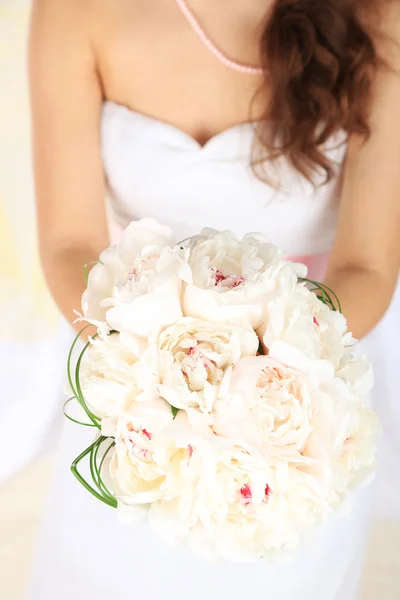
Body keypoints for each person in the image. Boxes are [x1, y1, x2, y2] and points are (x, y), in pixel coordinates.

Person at [27, 0, 400, 598]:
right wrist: (162, 374)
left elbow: (369, 268)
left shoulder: (379, 16)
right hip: (133, 406)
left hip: (295, 411)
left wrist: (259, 381)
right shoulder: (74, 12)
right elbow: (70, 246)